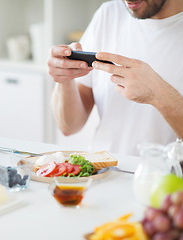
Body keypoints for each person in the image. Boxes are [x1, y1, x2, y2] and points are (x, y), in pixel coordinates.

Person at [48, 0, 183, 155]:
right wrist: (65, 79)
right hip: (105, 173)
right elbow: (69, 126)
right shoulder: (110, 14)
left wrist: (158, 94)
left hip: (165, 177)